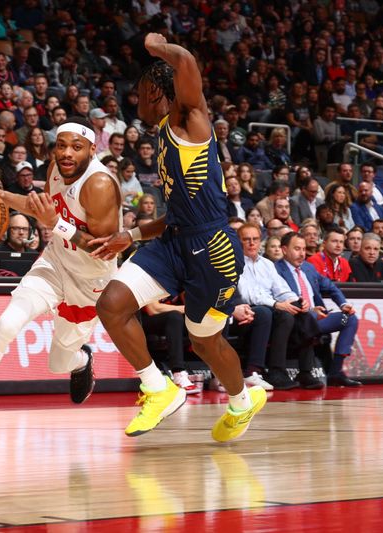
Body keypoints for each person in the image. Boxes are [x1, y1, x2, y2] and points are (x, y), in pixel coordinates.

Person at [89, 35, 267, 443]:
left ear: (156, 92)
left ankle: (242, 400)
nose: (136, 105)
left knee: (204, 343)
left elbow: (185, 60)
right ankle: (157, 387)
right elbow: (177, 214)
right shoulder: (166, 133)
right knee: (111, 305)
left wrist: (159, 45)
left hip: (214, 250)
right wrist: (129, 235)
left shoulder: (191, 121)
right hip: (175, 240)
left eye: (139, 96)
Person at [0, 117, 122, 440]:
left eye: (76, 147)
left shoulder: (99, 185)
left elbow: (106, 250)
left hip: (89, 282)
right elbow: (37, 207)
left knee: (58, 363)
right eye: (61, 145)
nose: (67, 153)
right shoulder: (58, 168)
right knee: (6, 325)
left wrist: (54, 223)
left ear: (92, 148)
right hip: (55, 264)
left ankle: (82, 359)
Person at [235, 223, 322, 391]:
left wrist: (296, 300)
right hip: (248, 310)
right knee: (279, 315)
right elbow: (247, 295)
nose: (252, 243)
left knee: (302, 312)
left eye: (255, 239)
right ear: (239, 242)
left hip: (270, 307)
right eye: (247, 239)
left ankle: (305, 371)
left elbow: (281, 289)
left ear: (261, 241)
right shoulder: (236, 263)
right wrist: (277, 304)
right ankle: (272, 371)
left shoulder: (267, 264)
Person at [275, 232, 361, 387]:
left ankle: (335, 372)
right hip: (295, 318)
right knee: (309, 319)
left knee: (350, 318)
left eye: (303, 249)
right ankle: (305, 373)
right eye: (297, 249)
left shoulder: (309, 268)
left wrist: (343, 304)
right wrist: (310, 310)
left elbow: (330, 287)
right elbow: (281, 298)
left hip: (317, 315)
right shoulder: (276, 270)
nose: (302, 253)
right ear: (284, 250)